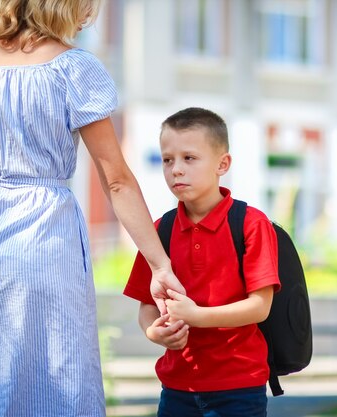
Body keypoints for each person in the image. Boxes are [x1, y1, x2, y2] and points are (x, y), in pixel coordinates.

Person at [0, 1, 184, 415]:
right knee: (56, 385)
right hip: (46, 241)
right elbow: (115, 179)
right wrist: (159, 264)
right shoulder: (73, 68)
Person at [123, 107, 281, 417]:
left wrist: (197, 316)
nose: (176, 170)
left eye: (189, 158)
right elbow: (147, 306)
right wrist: (152, 332)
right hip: (177, 387)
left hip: (238, 388)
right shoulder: (160, 230)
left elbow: (260, 307)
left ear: (223, 164)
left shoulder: (251, 224)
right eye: (168, 160)